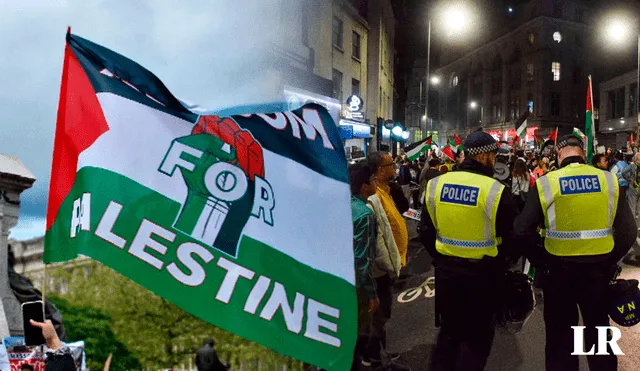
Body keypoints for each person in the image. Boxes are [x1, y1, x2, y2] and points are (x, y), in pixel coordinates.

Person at [514, 135, 636, 371]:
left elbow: (521, 231)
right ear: (582, 152)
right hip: (597, 276)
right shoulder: (608, 181)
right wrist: (608, 260)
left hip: (558, 275)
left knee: (561, 341)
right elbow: (629, 231)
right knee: (599, 340)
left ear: (559, 155)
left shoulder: (547, 183)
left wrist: (542, 260)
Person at [420, 131, 518, 371]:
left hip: (446, 275)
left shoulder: (436, 185)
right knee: (476, 341)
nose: (496, 161)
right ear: (484, 156)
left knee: (448, 335)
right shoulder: (495, 190)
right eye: (494, 155)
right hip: (483, 278)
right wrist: (502, 263)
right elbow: (512, 237)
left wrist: (443, 258)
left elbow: (425, 231)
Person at [348, 162, 380, 369]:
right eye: (373, 180)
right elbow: (363, 260)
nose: (376, 182)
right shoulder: (364, 215)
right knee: (358, 335)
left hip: (333, 281)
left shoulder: (338, 205)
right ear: (364, 186)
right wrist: (371, 294)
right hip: (356, 287)